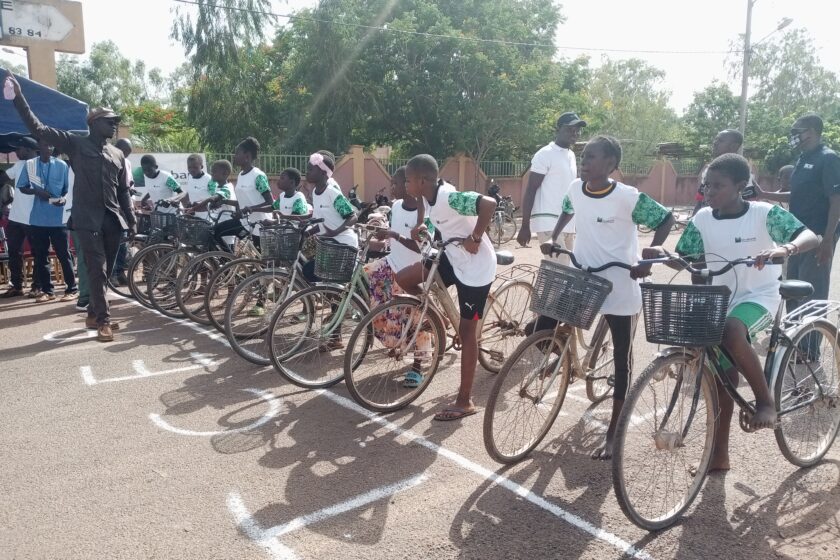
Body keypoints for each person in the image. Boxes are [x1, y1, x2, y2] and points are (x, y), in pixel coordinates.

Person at [658, 153, 818, 472]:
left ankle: (765, 401)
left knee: (732, 331)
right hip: (720, 300)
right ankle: (719, 456)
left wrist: (785, 248)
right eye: (707, 186)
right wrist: (661, 254)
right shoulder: (703, 219)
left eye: (718, 186)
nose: (709, 191)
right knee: (721, 377)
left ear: (740, 186)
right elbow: (686, 257)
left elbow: (810, 236)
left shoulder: (763, 213)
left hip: (760, 297)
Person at [541, 136, 674, 459]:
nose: (584, 161)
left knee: (622, 359)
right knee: (546, 322)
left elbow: (665, 219)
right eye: (583, 156)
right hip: (585, 277)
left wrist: (649, 256)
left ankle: (614, 432)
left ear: (611, 164)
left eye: (592, 157)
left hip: (620, 284)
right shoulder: (576, 188)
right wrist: (555, 237)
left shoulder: (627, 197)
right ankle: (564, 358)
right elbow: (568, 209)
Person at [7, 72, 136, 342]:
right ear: (94, 123)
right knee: (96, 269)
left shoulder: (116, 154)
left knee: (105, 272)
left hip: (113, 220)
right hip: (87, 219)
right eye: (110, 121)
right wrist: (18, 98)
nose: (114, 125)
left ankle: (92, 313)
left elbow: (123, 190)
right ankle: (103, 320)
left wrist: (132, 219)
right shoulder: (75, 144)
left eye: (116, 122)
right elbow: (39, 129)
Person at [397, 154, 497, 421]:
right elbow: (432, 213)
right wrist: (423, 224)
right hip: (451, 256)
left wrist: (475, 237)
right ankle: (437, 319)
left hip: (476, 268)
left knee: (467, 333)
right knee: (405, 279)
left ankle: (465, 401)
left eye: (408, 180)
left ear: (422, 180)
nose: (405, 185)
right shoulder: (427, 196)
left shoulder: (449, 197)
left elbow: (489, 204)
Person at [754, 114, 840, 319]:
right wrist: (765, 194)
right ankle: (793, 336)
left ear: (811, 132)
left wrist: (828, 239)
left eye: (796, 132)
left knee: (811, 294)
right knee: (792, 290)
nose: (792, 136)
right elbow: (798, 194)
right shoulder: (802, 159)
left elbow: (836, 200)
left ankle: (810, 340)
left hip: (817, 236)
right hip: (797, 235)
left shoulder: (828, 158)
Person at [365, 166, 431, 388]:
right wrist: (382, 237)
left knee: (417, 318)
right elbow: (394, 239)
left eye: (396, 183)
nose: (391, 187)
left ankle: (418, 367)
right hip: (393, 263)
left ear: (409, 184)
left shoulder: (424, 213)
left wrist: (394, 234)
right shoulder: (395, 206)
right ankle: (394, 337)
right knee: (368, 272)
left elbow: (421, 246)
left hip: (414, 270)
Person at [517, 112, 586, 264]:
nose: (574, 133)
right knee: (560, 271)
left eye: (577, 130)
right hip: (548, 222)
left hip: (567, 223)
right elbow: (530, 190)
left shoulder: (571, 155)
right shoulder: (545, 154)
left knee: (568, 270)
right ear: (558, 129)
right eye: (570, 129)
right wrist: (525, 226)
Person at [18, 138, 77, 303]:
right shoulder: (30, 165)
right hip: (38, 219)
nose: (49, 147)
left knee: (64, 254)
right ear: (39, 146)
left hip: (58, 219)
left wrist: (63, 199)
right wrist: (37, 192)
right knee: (41, 256)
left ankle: (72, 289)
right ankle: (47, 291)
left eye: (51, 144)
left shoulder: (62, 165)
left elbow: (66, 190)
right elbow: (22, 187)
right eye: (45, 144)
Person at [213, 137, 274, 250]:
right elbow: (242, 202)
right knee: (215, 231)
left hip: (259, 225)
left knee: (262, 259)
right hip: (244, 223)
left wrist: (250, 209)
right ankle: (228, 259)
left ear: (247, 156)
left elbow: (270, 203)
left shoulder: (258, 176)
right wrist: (224, 201)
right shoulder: (241, 175)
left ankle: (229, 260)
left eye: (237, 153)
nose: (234, 156)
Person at [0, 136, 39, 298]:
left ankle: (37, 286)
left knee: (38, 252)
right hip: (16, 217)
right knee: (14, 252)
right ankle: (17, 285)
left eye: (18, 149)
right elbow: (3, 178)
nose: (16, 152)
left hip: (34, 217)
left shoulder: (42, 165)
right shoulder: (19, 164)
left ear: (28, 149)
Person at [691, 129, 761, 216]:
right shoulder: (709, 170)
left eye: (720, 141)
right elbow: (700, 202)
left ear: (733, 146)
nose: (715, 143)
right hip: (707, 221)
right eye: (715, 140)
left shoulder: (742, 172)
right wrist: (693, 221)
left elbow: (749, 206)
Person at [110, 138, 134, 286]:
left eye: (128, 153)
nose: (126, 155)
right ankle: (111, 274)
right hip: (112, 208)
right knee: (113, 243)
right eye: (124, 152)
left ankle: (120, 272)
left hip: (124, 208)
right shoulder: (108, 159)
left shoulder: (127, 163)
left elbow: (127, 186)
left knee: (123, 243)